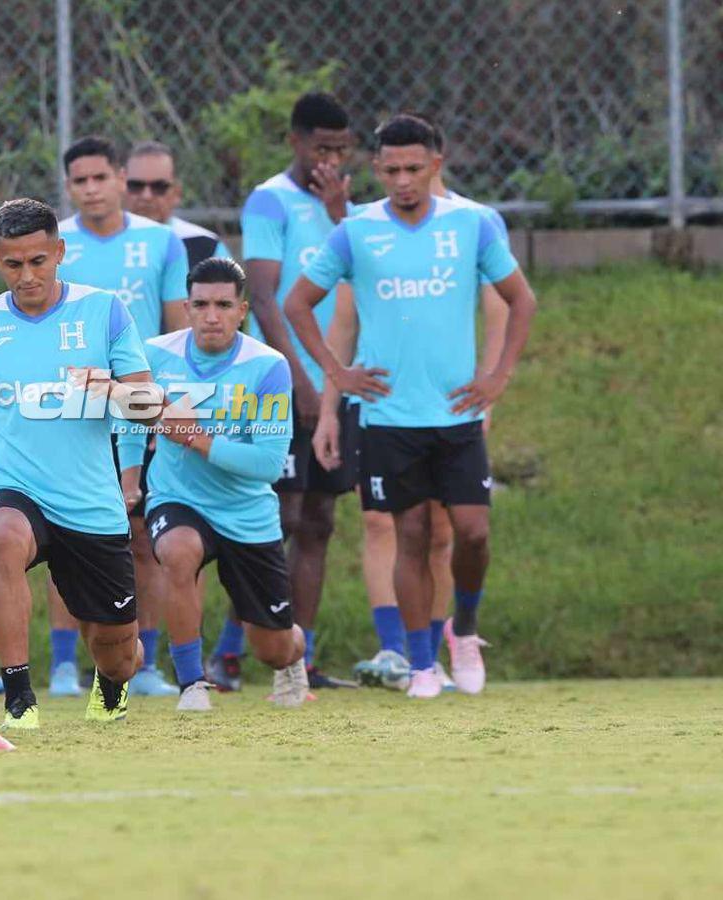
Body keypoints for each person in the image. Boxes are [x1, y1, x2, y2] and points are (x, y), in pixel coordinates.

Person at [284, 113, 537, 698]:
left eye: (414, 169)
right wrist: (336, 375)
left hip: (456, 413)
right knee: (411, 532)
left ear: (436, 167)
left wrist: (498, 378)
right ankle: (422, 664)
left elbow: (521, 301)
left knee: (472, 532)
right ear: (376, 170)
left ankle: (465, 630)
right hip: (387, 417)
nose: (403, 180)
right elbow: (300, 303)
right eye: (392, 169)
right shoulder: (356, 230)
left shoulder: (471, 225)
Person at [0, 198, 156, 730]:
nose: (27, 276)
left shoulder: (104, 311)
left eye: (38, 261)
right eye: (13, 264)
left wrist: (110, 390)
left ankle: (110, 684)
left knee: (118, 653)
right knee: (2, 536)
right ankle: (19, 698)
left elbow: (150, 405)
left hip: (91, 504)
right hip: (13, 487)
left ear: (59, 253)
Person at [119, 257, 308, 712]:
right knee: (177, 553)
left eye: (223, 305)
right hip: (176, 497)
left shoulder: (268, 367)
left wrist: (198, 438)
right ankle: (192, 684)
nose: (211, 315)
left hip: (246, 512)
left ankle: (293, 659)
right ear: (186, 307)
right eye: (201, 304)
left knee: (272, 646)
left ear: (242, 310)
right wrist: (129, 483)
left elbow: (266, 463)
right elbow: (130, 423)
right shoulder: (155, 354)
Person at [222, 91, 359, 693]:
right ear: (296, 143)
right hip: (279, 385)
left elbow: (360, 283)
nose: (329, 158)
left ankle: (296, 656)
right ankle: (229, 651)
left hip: (336, 384)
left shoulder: (346, 211)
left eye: (340, 148)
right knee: (272, 515)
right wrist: (297, 377)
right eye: (319, 147)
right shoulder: (269, 201)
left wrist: (340, 213)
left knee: (320, 518)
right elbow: (267, 296)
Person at [49, 135, 190, 698]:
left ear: (119, 181)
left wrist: (162, 404)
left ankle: (147, 662)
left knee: (139, 539)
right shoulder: (55, 244)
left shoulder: (161, 242)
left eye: (99, 178)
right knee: (65, 540)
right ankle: (64, 665)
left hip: (136, 410)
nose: (90, 189)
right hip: (77, 413)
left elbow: (177, 330)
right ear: (69, 187)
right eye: (79, 181)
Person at [124, 141, 231, 270]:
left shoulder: (205, 247)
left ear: (177, 193)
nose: (147, 196)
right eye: (136, 186)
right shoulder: (97, 242)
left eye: (159, 187)